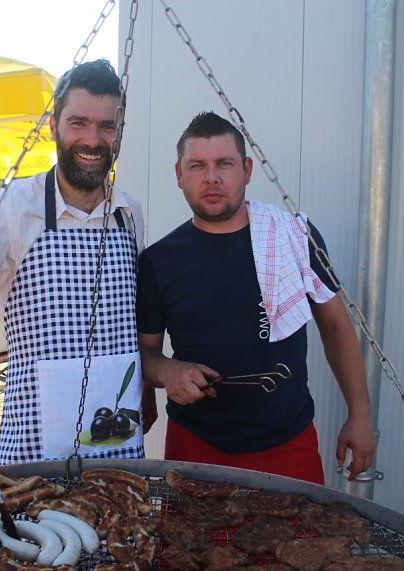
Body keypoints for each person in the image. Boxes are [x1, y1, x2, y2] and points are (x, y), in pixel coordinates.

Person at [136, 112, 376, 484]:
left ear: (247, 169)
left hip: (288, 443)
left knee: (300, 544)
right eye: (197, 165)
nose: (211, 177)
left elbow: (336, 326)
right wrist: (168, 372)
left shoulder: (294, 236)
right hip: (196, 447)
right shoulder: (158, 260)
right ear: (179, 175)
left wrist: (360, 414)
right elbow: (145, 353)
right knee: (190, 545)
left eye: (224, 163)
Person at [0, 59, 146, 464]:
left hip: (118, 442)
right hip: (32, 446)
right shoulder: (9, 207)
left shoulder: (129, 213)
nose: (93, 140)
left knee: (121, 525)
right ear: (52, 125)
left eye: (107, 126)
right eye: (78, 122)